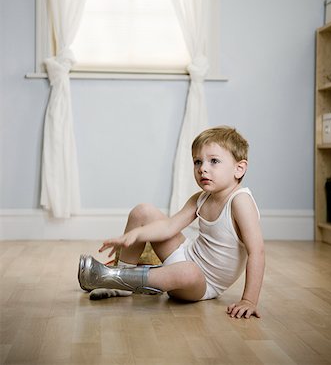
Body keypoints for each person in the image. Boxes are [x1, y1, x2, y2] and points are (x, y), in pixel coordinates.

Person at [78, 126, 265, 319]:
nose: (203, 168)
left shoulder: (240, 201)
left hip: (202, 283)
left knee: (189, 272)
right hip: (186, 257)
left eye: (214, 161)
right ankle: (124, 277)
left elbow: (257, 252)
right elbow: (169, 227)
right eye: (197, 162)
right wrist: (136, 234)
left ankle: (112, 277)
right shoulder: (201, 198)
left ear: (239, 168)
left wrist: (249, 300)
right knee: (143, 211)